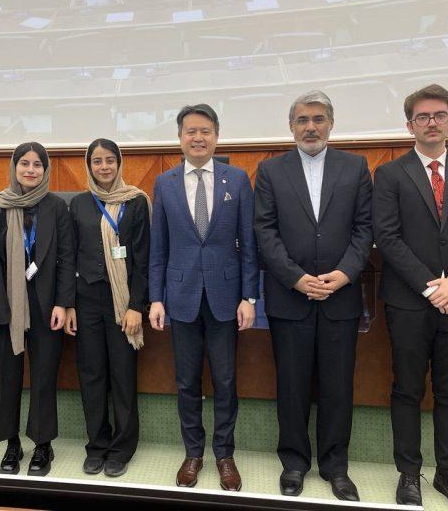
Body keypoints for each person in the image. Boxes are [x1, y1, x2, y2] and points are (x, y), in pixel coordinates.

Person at [373, 84, 448, 510]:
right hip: (409, 301)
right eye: (423, 117)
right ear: (409, 125)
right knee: (407, 389)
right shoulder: (390, 174)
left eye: (439, 115)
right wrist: (431, 286)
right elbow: (387, 237)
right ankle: (409, 473)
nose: (431, 122)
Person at [253, 91, 373, 501]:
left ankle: (336, 467)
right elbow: (264, 231)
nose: (310, 127)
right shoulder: (270, 170)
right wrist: (296, 278)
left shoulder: (355, 167)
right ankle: (294, 463)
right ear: (291, 127)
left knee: (338, 388)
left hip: (340, 296)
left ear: (331, 124)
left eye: (318, 119)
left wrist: (344, 274)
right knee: (291, 386)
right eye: (302, 120)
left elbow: (365, 228)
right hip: (290, 298)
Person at [148, 104, 258, 492]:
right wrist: (156, 298)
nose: (198, 138)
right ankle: (193, 453)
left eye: (205, 131)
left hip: (226, 297)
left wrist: (249, 297)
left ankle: (224, 455)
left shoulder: (237, 179)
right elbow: (158, 247)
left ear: (217, 136)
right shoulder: (164, 183)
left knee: (225, 381)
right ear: (180, 138)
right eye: (191, 131)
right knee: (186, 381)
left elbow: (249, 244)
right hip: (181, 296)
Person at [0, 142, 75, 477]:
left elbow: (66, 258)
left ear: (45, 170)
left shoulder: (56, 207)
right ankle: (12, 443)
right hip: (5, 304)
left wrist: (63, 302)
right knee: (7, 376)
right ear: (14, 167)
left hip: (46, 305)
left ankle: (43, 445)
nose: (31, 170)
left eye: (37, 165)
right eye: (24, 164)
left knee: (44, 376)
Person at [65, 138, 151, 478]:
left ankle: (122, 448)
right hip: (86, 300)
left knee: (122, 375)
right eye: (97, 161)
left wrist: (136, 306)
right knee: (91, 374)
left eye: (110, 160)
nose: (104, 167)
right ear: (89, 166)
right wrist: (69, 304)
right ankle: (97, 445)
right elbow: (69, 257)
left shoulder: (135, 201)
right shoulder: (79, 204)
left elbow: (143, 259)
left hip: (122, 302)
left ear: (119, 163)